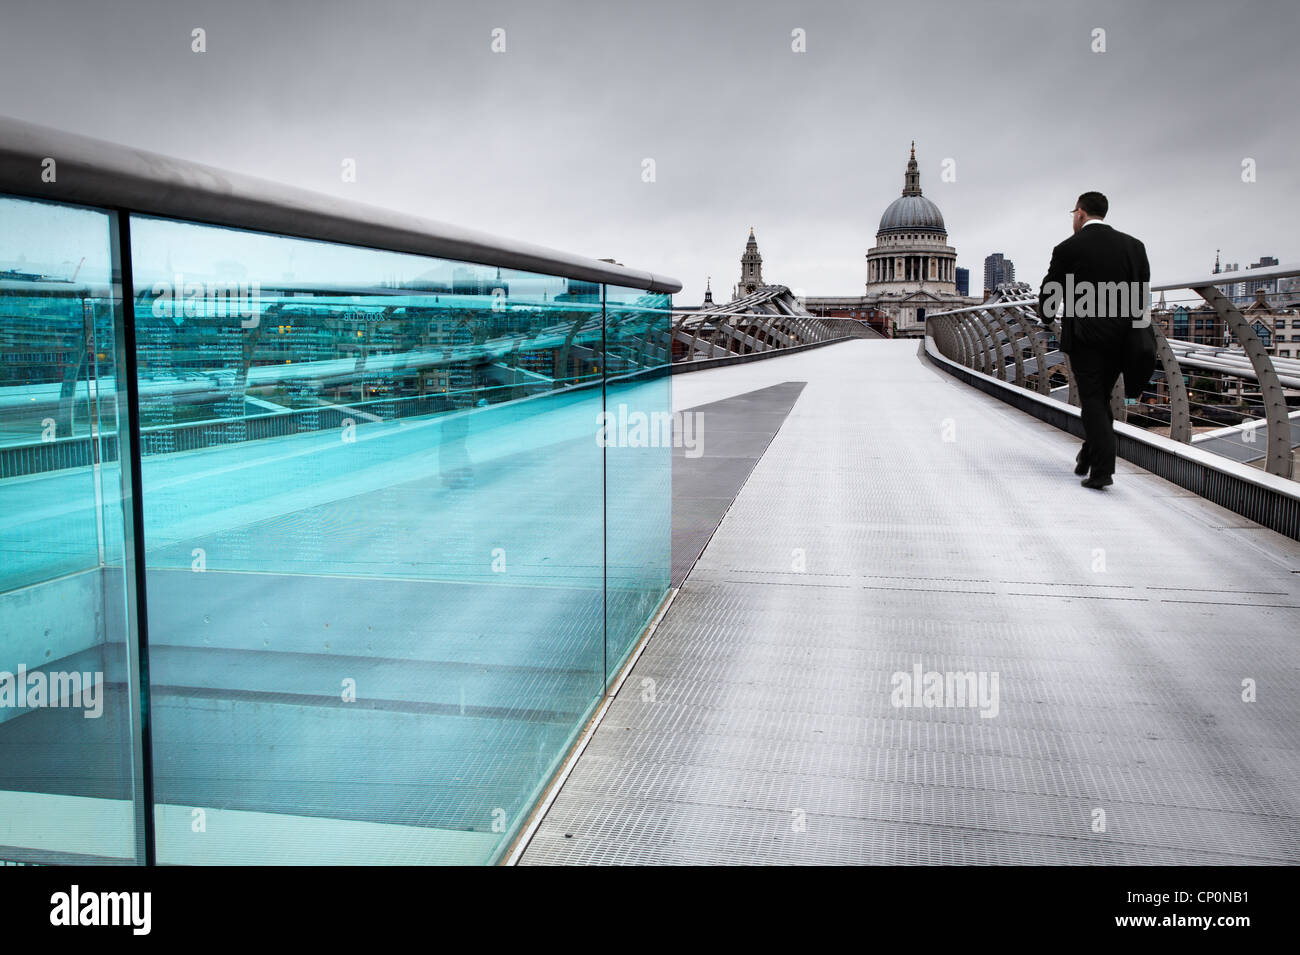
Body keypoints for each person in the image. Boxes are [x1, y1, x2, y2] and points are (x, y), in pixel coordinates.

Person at [1037, 191, 1150, 490]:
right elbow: (1141, 297)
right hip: (1123, 338)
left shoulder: (1068, 248)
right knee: (1099, 400)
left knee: (1092, 401)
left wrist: (1046, 318)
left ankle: (1102, 471)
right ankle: (1089, 454)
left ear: (1080, 213)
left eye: (1074, 213)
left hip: (1085, 339)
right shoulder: (1134, 247)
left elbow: (1050, 294)